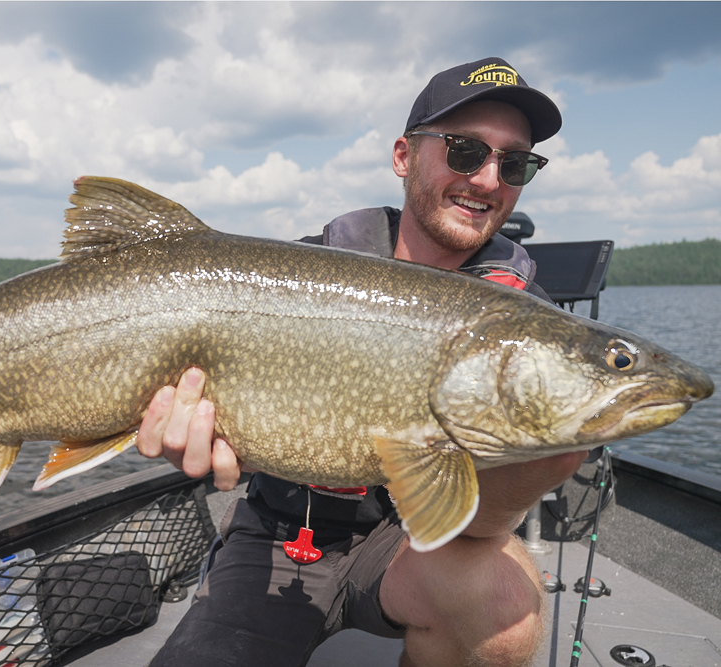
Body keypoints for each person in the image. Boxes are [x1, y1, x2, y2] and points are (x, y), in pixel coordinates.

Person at [137, 57, 587, 667]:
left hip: (407, 543)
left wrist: (551, 459)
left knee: (505, 616)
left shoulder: (529, 320)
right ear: (404, 156)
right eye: (463, 151)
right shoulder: (300, 274)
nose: (487, 179)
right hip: (277, 529)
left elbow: (476, 529)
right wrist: (177, 431)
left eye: (515, 163)